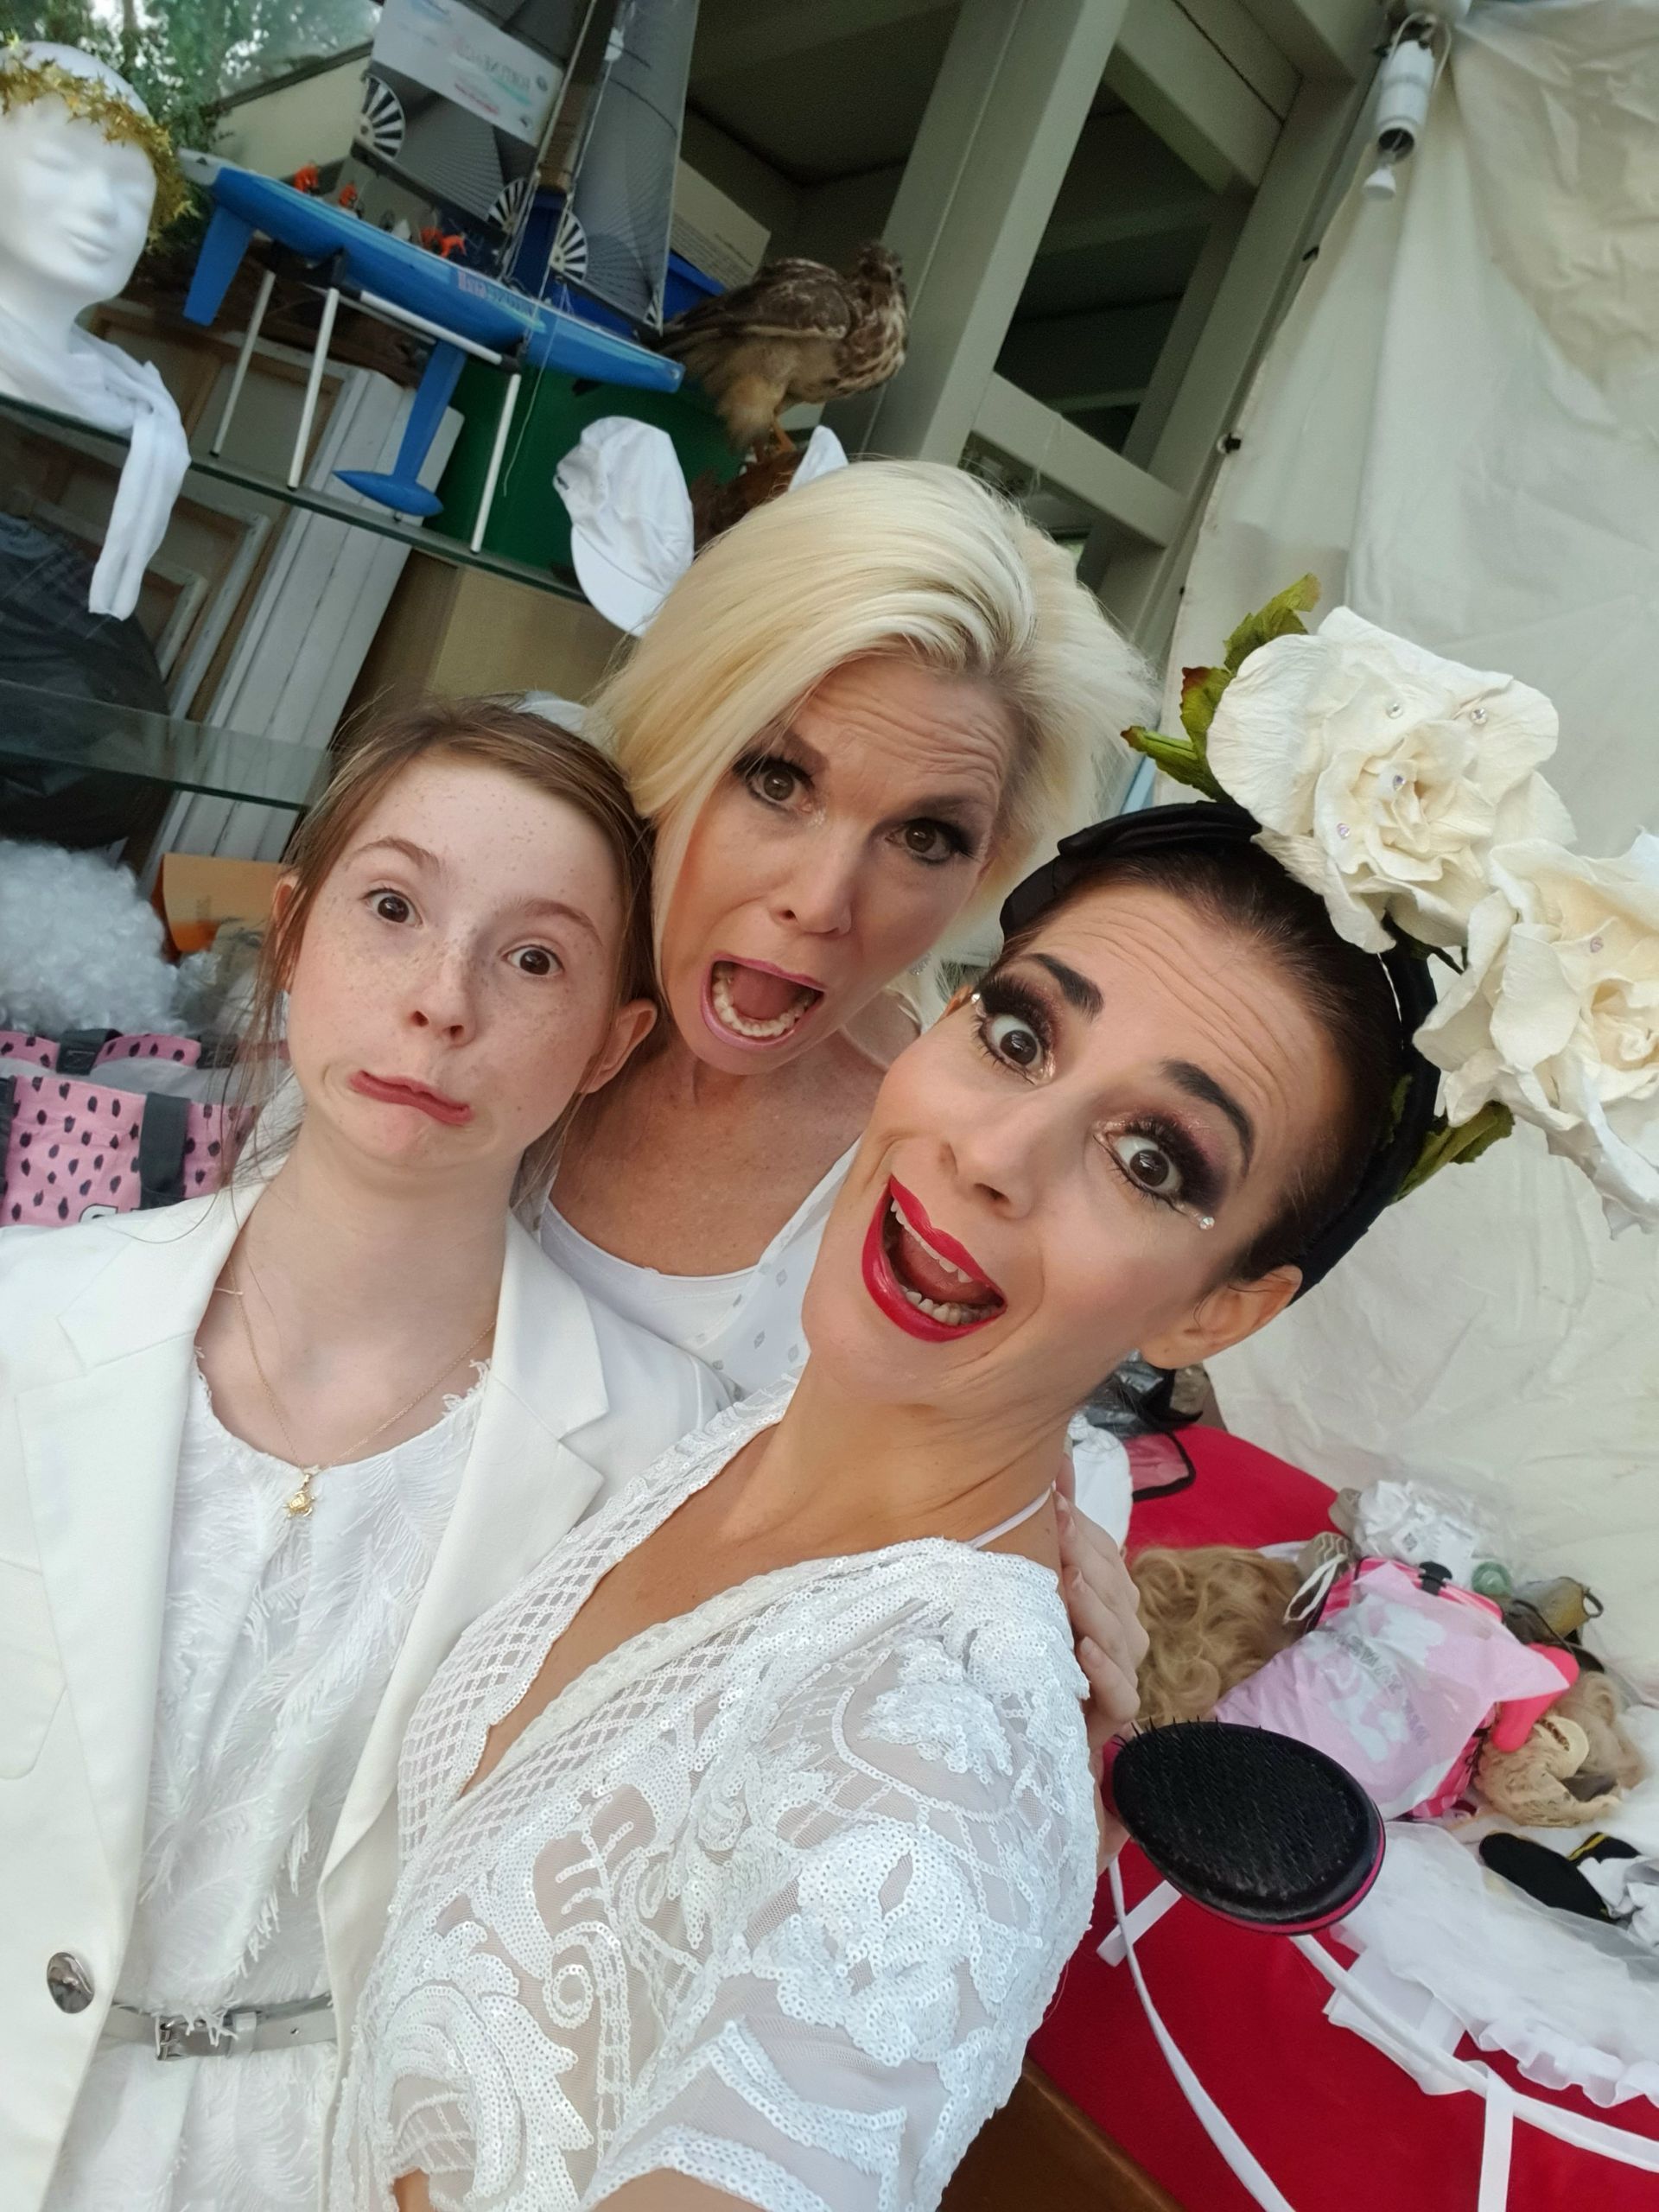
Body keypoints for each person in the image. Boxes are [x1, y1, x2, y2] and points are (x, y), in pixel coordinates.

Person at [329, 771, 1463, 2212]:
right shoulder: (755, 1432)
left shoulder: (936, 1777)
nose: (993, 1155)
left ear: (1216, 1313)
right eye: (1018, 1035)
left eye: (1149, 1160)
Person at [0, 702, 727, 2212]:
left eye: (535, 960)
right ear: (292, 934)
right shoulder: (29, 1316)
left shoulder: (666, 1462)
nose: (441, 1002)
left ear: (613, 1042)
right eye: (393, 909)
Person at [543, 459, 1153, 1399]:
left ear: (987, 868)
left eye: (923, 836)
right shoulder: (482, 976)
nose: (823, 902)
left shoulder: (944, 1195)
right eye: (777, 780)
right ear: (674, 736)